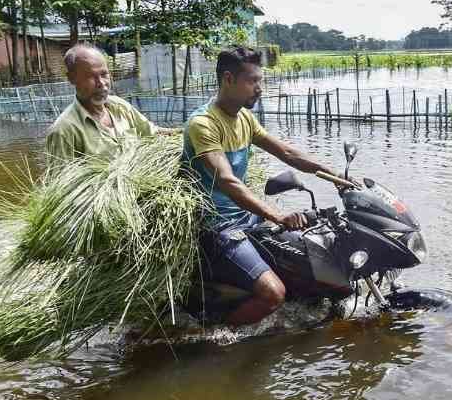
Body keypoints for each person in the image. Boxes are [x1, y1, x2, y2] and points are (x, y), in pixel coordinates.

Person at [183, 46, 341, 326]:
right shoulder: (203, 124)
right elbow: (227, 181)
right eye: (252, 81)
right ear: (228, 79)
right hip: (218, 227)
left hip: (247, 218)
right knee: (273, 294)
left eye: (261, 81)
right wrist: (276, 215)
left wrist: (336, 177)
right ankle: (213, 337)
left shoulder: (244, 117)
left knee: (308, 262)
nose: (259, 88)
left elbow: (288, 154)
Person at [45, 44, 174, 168]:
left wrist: (184, 132)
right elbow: (64, 184)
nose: (101, 83)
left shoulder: (120, 106)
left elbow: (153, 132)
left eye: (104, 74)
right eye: (90, 76)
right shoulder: (64, 131)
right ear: (72, 79)